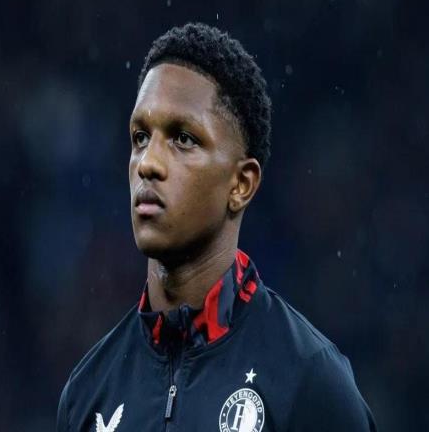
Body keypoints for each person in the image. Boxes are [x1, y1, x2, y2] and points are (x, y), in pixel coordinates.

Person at [56, 22, 377, 432]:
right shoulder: (88, 391)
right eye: (140, 137)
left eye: (183, 138)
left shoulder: (309, 381)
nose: (148, 163)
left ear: (241, 184)